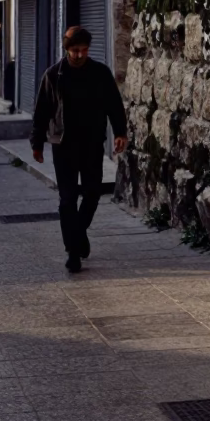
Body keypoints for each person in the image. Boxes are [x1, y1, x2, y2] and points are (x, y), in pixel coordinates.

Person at [31, 26, 128, 273]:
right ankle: (73, 250)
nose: (79, 55)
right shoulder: (53, 75)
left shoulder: (100, 73)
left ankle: (78, 233)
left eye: (84, 50)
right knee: (67, 199)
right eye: (75, 51)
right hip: (62, 145)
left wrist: (120, 132)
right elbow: (41, 111)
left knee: (93, 192)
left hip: (92, 143)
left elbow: (114, 104)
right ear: (67, 50)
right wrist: (37, 143)